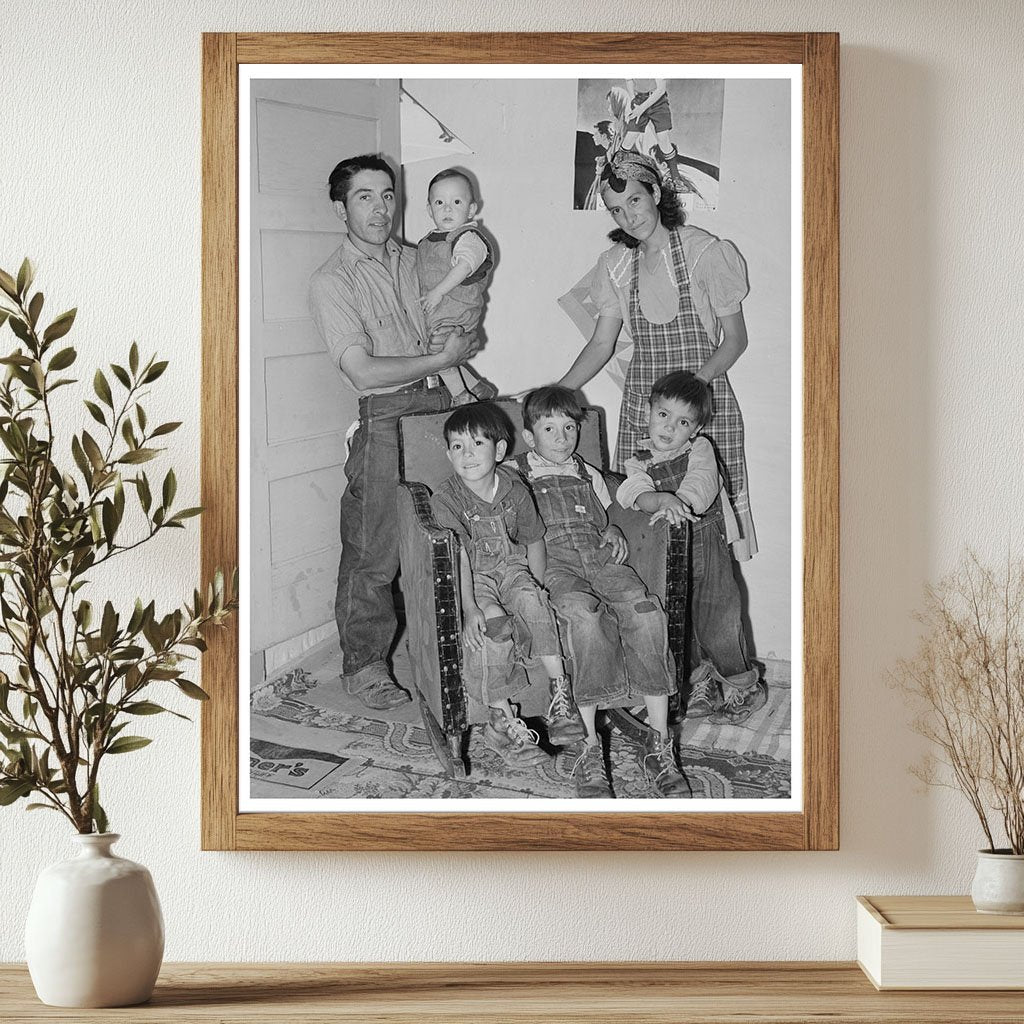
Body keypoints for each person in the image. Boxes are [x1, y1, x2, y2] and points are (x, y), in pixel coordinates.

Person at [308, 153, 479, 712]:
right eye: (365, 197)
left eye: (387, 195)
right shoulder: (332, 281)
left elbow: (458, 320)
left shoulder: (421, 258)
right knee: (372, 550)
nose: (381, 208)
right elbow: (362, 370)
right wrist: (441, 354)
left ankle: (457, 653)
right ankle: (364, 665)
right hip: (384, 415)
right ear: (341, 207)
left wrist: (460, 359)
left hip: (442, 403)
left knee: (453, 535)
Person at [558, 149, 757, 562]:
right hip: (645, 412)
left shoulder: (704, 251)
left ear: (654, 192)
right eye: (616, 210)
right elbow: (601, 344)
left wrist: (688, 394)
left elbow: (735, 340)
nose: (629, 216)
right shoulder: (614, 265)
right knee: (647, 529)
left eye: (634, 200)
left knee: (708, 535)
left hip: (701, 409)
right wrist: (558, 391)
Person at [512, 386, 687, 799]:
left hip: (600, 557)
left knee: (645, 613)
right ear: (528, 435)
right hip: (554, 562)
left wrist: (609, 528)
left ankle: (659, 745)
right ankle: (588, 747)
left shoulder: (586, 471)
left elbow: (607, 511)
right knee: (585, 619)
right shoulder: (514, 472)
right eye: (549, 428)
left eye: (569, 427)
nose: (561, 437)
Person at [429, 403, 585, 767]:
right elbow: (460, 559)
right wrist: (469, 609)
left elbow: (533, 540)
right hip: (473, 577)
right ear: (447, 452)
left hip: (512, 567)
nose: (467, 455)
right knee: (494, 622)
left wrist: (538, 582)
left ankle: (560, 695)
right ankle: (503, 720)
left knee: (532, 599)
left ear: (499, 450)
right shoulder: (446, 499)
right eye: (457, 447)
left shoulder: (515, 489)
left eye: (477, 444)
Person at [616, 372, 767, 724]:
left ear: (695, 429)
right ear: (649, 412)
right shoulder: (638, 460)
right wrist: (657, 500)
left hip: (706, 543)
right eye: (663, 415)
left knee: (718, 614)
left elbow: (702, 481)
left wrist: (678, 502)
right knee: (678, 615)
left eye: (682, 421)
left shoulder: (700, 449)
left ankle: (742, 684)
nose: (669, 427)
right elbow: (630, 492)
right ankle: (700, 683)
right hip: (666, 549)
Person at [416, 168, 498, 405]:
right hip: (439, 313)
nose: (447, 208)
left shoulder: (468, 238)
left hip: (457, 311)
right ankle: (476, 387)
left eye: (457, 201)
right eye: (439, 202)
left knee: (440, 354)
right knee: (443, 355)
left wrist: (437, 292)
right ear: (430, 210)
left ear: (472, 209)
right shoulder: (427, 241)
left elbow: (463, 266)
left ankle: (462, 397)